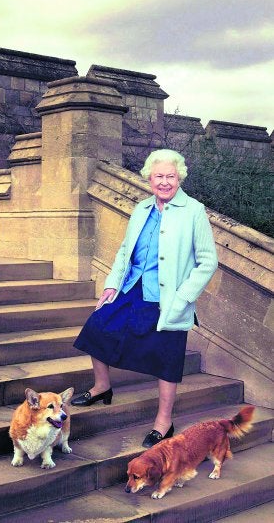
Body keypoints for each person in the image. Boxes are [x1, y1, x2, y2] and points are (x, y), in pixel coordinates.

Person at [72, 149, 218, 447]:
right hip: (132, 287)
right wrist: (112, 285)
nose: (164, 182)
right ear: (149, 179)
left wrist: (183, 299)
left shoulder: (193, 210)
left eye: (170, 177)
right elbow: (126, 251)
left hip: (168, 297)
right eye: (159, 177)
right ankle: (102, 387)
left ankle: (164, 422)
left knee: (167, 356)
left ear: (180, 178)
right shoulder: (141, 209)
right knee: (97, 327)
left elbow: (208, 261)